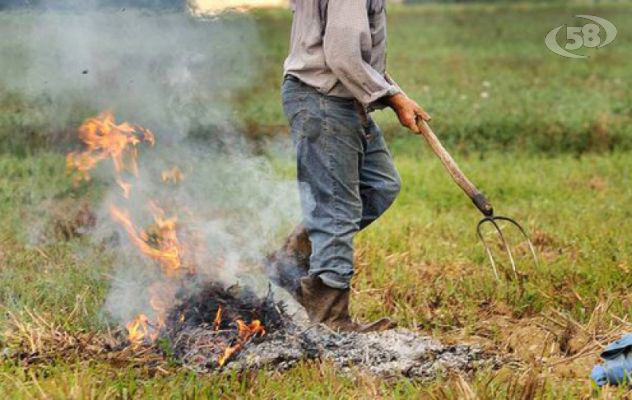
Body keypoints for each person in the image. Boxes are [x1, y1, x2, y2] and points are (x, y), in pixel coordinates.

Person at [266, 0, 431, 332]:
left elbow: (351, 50)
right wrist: (394, 99)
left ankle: (290, 262)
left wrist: (391, 92)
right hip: (324, 97)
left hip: (344, 98)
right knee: (336, 210)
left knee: (380, 184)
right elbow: (342, 55)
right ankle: (330, 319)